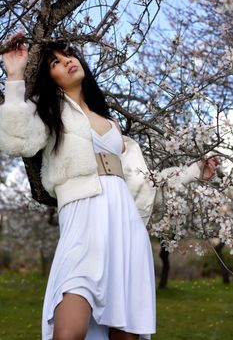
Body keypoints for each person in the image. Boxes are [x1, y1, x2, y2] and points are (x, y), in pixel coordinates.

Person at [0, 36, 218, 340]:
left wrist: (195, 171)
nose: (67, 61)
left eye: (68, 55)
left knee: (124, 334)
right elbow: (16, 139)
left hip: (125, 228)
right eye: (56, 62)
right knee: (68, 329)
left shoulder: (114, 125)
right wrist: (14, 75)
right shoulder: (49, 111)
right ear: (50, 78)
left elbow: (145, 182)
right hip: (82, 222)